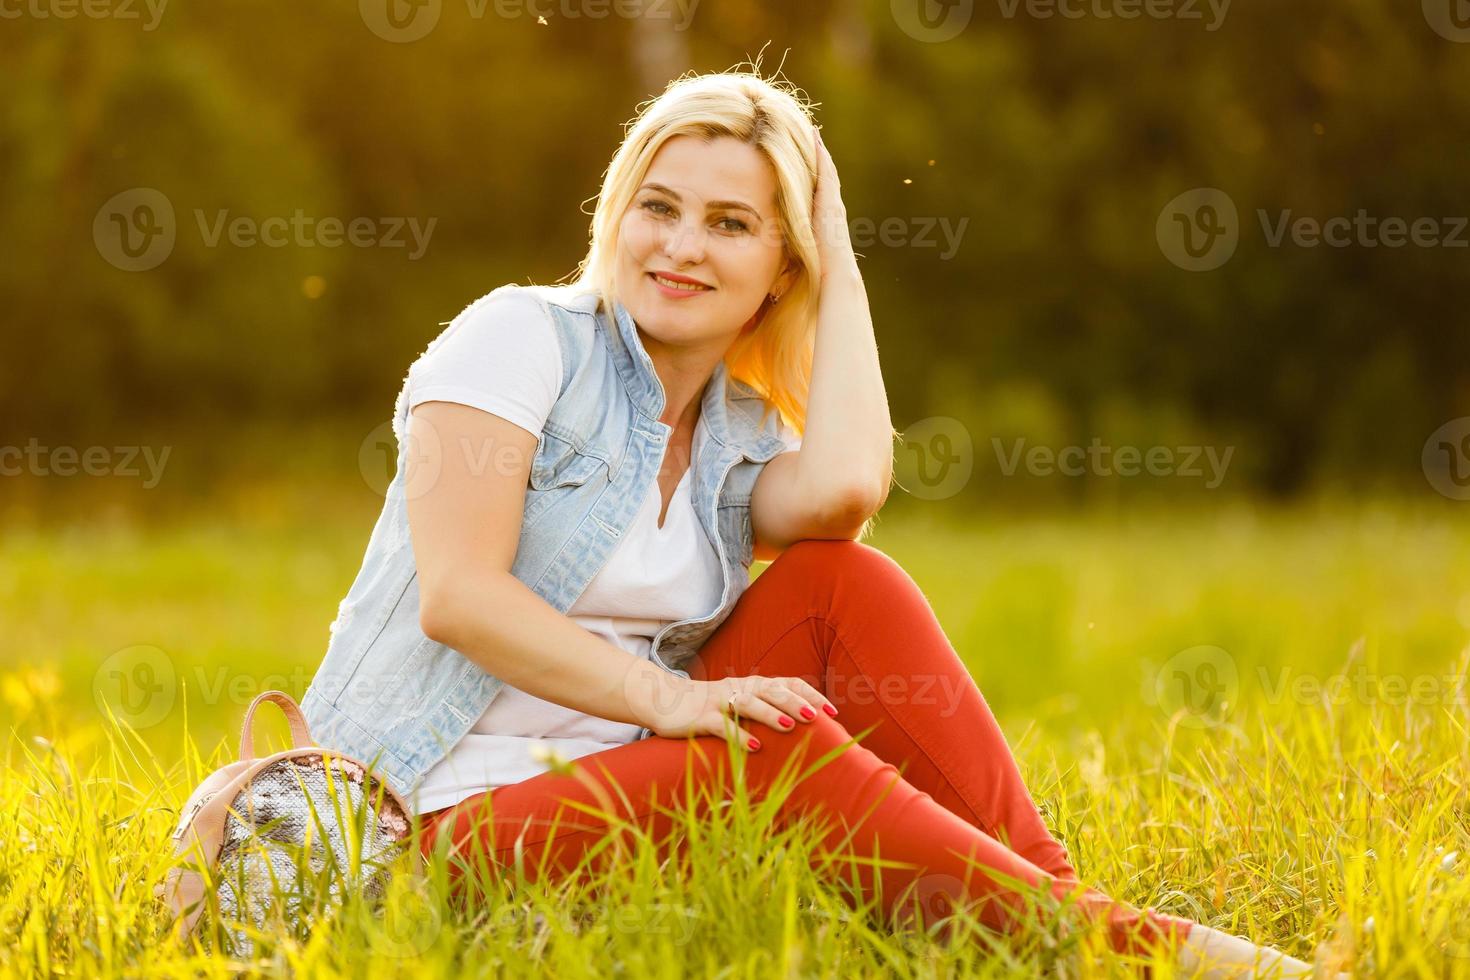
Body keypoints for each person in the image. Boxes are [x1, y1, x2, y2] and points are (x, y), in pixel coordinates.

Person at [301, 69, 1332, 977]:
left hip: (624, 789)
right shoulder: (517, 338)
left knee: (847, 581)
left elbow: (845, 494)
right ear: (617, 215)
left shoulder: (730, 430)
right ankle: (1135, 952)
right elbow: (461, 597)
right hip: (420, 828)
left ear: (783, 265)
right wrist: (667, 700)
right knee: (766, 743)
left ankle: (1055, 907)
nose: (681, 246)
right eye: (657, 208)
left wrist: (839, 251)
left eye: (732, 224)